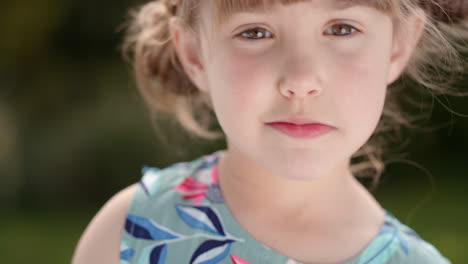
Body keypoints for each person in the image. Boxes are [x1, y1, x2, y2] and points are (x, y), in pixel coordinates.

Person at [72, 0, 468, 263]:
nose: (300, 79)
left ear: (398, 46)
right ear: (194, 54)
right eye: (255, 32)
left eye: (342, 28)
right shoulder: (130, 233)